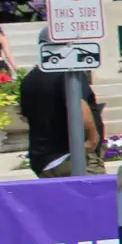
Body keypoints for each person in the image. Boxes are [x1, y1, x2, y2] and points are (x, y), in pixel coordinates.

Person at [20, 38, 101, 177]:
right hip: (71, 156)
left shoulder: (29, 79)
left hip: (42, 161)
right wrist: (92, 140)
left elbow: (25, 116)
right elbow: (80, 108)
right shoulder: (68, 74)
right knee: (95, 196)